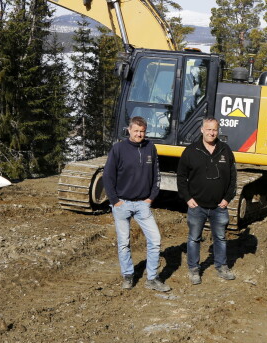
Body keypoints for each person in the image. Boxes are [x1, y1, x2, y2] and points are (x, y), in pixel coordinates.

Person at [102, 116, 171, 292]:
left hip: (143, 205)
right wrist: (115, 201)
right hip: (122, 204)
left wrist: (150, 198)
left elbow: (157, 175)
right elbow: (108, 176)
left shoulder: (150, 148)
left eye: (142, 131)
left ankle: (152, 278)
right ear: (129, 130)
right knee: (124, 242)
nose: (139, 134)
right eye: (136, 131)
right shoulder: (118, 149)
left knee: (155, 240)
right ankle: (128, 275)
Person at [177, 117, 238, 285]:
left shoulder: (225, 150)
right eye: (208, 129)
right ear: (202, 130)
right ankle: (194, 269)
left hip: (219, 206)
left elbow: (233, 178)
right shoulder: (191, 151)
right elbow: (181, 178)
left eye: (215, 130)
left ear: (218, 131)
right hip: (197, 206)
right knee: (194, 238)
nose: (212, 133)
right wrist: (188, 198)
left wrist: (227, 198)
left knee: (220, 238)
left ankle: (222, 266)